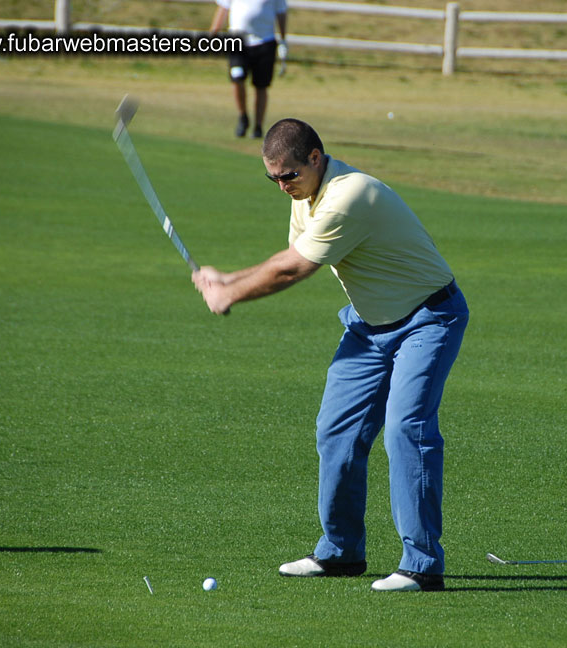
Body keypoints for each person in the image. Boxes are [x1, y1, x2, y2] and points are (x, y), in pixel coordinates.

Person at [192, 119, 468, 592]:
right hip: (368, 327)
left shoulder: (350, 193)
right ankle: (340, 552)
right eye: (273, 178)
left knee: (407, 429)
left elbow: (293, 270)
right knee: (335, 430)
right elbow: (292, 252)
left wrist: (231, 293)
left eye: (289, 175)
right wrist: (227, 279)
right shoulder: (306, 197)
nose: (282, 187)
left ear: (316, 159)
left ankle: (422, 564)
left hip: (428, 319)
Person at [210, 0, 288, 138]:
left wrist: (283, 40)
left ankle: (258, 126)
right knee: (237, 77)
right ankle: (243, 116)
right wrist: (213, 33)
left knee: (261, 86)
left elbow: (281, 13)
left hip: (265, 41)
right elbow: (223, 8)